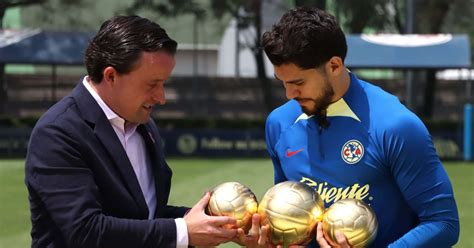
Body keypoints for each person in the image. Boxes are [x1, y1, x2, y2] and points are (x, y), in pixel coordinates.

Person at [24, 15, 240, 248]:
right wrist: (183, 232)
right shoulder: (58, 132)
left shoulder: (143, 125)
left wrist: (218, 222)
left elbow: (145, 216)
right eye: (151, 84)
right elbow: (85, 231)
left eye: (163, 84)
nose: (161, 97)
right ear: (111, 76)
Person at [261, 6, 460, 247]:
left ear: (334, 66)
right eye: (283, 83)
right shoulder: (278, 124)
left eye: (298, 82)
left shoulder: (396, 126)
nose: (289, 94)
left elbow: (443, 224)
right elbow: (291, 220)